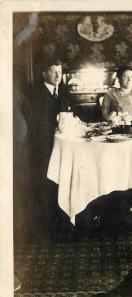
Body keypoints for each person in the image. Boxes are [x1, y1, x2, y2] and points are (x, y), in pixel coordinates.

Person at [29, 57, 70, 237]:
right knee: (46, 179)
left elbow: (68, 114)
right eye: (53, 72)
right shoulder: (35, 93)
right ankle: (47, 221)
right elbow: (34, 124)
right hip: (42, 144)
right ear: (44, 73)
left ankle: (63, 212)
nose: (57, 75)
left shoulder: (62, 90)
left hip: (62, 142)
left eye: (59, 72)